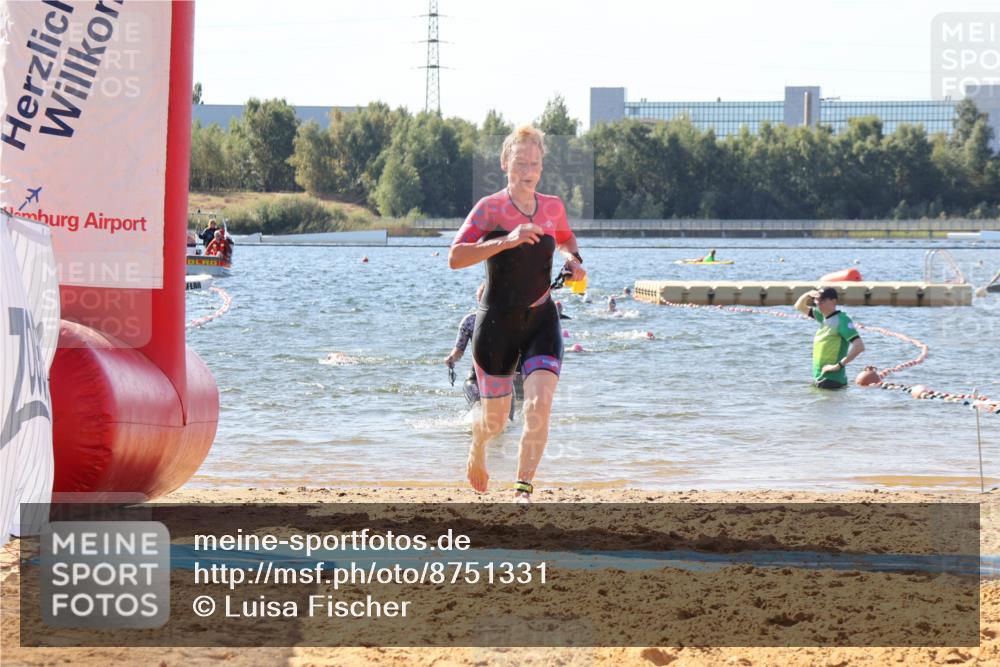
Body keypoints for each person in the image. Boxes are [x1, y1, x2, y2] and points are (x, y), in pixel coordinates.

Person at [448, 124, 585, 502]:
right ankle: (477, 447)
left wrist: (573, 260)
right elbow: (455, 257)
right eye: (520, 162)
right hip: (497, 325)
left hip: (541, 320)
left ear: (542, 166)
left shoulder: (553, 206)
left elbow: (566, 238)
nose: (527, 170)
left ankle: (522, 489)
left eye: (535, 163)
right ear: (505, 162)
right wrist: (505, 240)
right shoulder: (490, 208)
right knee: (494, 421)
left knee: (540, 405)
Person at [445, 285, 524, 420]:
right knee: (479, 407)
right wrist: (451, 358)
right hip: (475, 379)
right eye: (486, 299)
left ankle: (503, 441)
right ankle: (476, 434)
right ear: (479, 299)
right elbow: (459, 350)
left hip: (503, 379)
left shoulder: (508, 322)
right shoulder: (470, 321)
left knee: (508, 420)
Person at [794, 287, 865, 389]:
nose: (818, 303)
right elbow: (799, 306)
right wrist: (807, 295)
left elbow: (859, 346)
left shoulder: (842, 320)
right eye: (816, 300)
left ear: (833, 301)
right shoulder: (822, 317)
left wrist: (838, 366)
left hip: (832, 380)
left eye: (822, 300)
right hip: (820, 378)